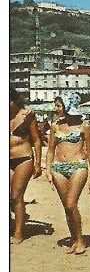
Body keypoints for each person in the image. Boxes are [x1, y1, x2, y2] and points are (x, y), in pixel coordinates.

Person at [45, 94, 90, 254]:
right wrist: (47, 169)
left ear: (67, 106)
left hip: (78, 166)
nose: (56, 109)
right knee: (67, 208)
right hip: (59, 168)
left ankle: (80, 240)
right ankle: (74, 239)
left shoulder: (84, 126)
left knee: (71, 204)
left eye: (59, 106)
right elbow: (51, 150)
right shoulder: (55, 126)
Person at [10, 86, 43, 244]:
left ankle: (18, 233)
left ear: (13, 101)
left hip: (23, 158)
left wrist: (38, 163)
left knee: (16, 195)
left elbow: (36, 140)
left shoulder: (27, 115)